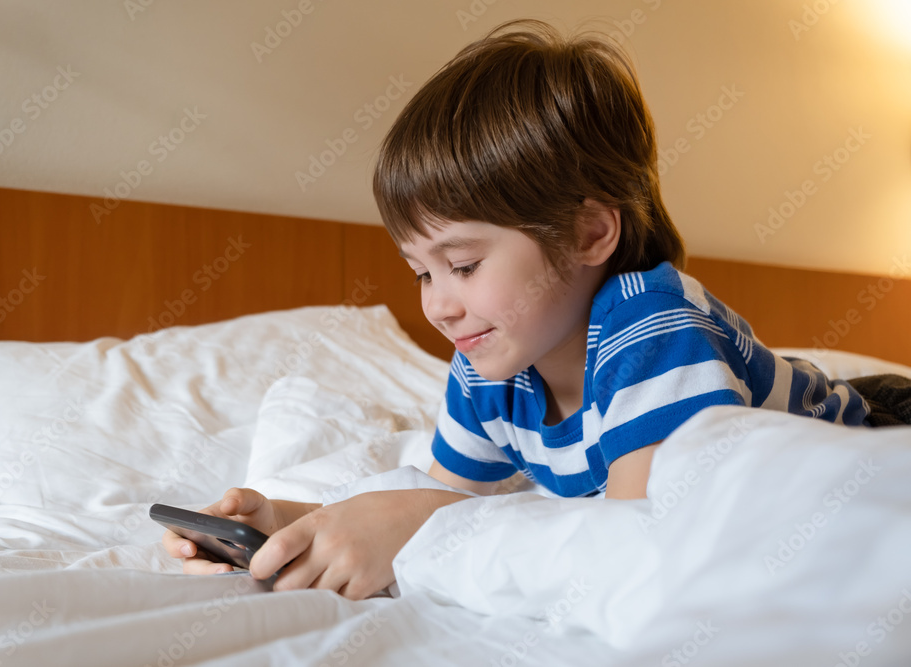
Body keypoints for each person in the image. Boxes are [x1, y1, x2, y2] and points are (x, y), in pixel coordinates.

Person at [163, 18, 880, 600]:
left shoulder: (650, 325)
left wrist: (425, 521)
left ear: (589, 233)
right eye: (420, 273)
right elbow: (431, 495)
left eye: (464, 266)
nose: (439, 306)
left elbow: (643, 543)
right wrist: (289, 526)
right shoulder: (488, 367)